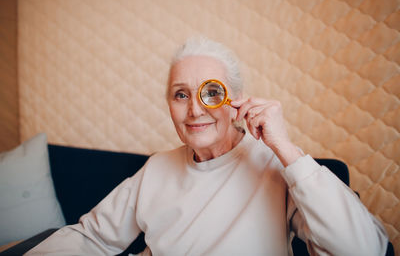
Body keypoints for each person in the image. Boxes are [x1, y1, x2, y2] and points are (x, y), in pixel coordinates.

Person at [26, 37, 388, 255]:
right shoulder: (157, 167)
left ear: (237, 102)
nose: (195, 108)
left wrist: (287, 149)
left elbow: (364, 250)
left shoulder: (276, 169)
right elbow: (92, 238)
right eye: (181, 94)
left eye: (211, 92)